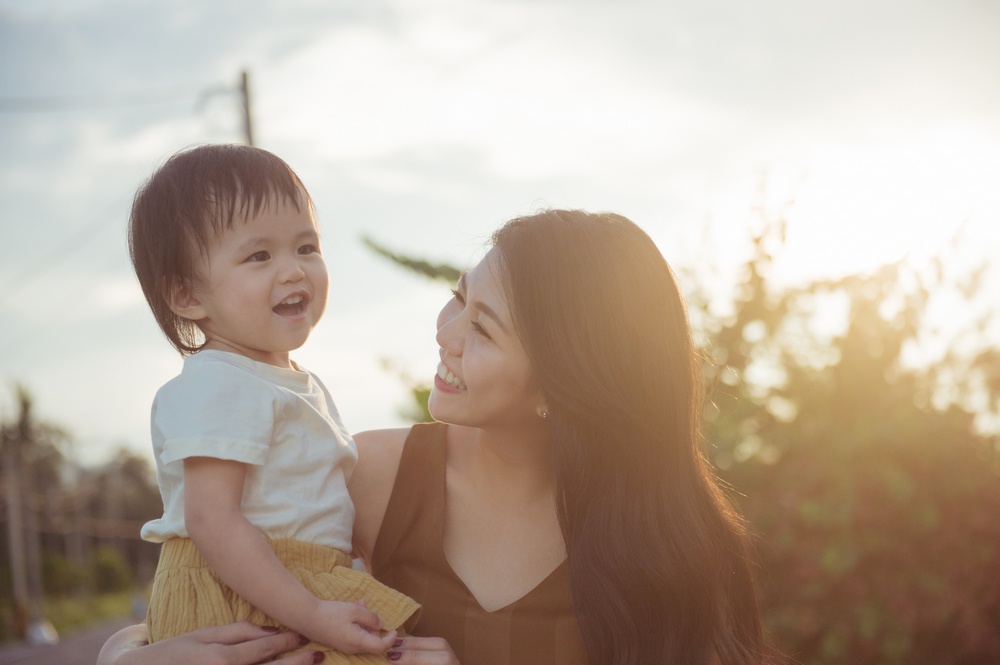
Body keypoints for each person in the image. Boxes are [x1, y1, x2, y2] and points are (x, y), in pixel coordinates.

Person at [102, 209, 768, 665]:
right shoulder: (374, 473)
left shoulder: (668, 540)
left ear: (556, 385)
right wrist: (127, 656)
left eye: (482, 328)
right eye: (459, 295)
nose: (445, 331)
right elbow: (213, 579)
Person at [127, 144, 419, 664]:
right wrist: (311, 612)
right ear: (188, 296)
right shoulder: (221, 381)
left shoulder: (283, 380)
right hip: (243, 599)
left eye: (306, 247)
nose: (293, 270)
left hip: (289, 584)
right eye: (259, 256)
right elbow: (213, 521)